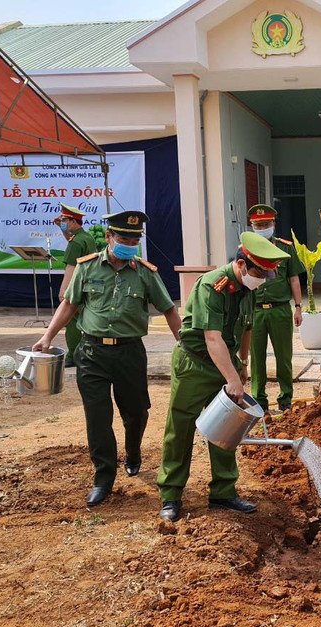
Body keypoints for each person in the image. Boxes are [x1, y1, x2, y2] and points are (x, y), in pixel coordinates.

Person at [33, 211, 181, 508]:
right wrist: (48, 336)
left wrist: (185, 344)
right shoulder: (87, 269)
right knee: (98, 417)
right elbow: (69, 305)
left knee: (136, 411)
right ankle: (103, 477)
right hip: (92, 352)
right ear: (110, 237)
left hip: (129, 352)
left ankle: (134, 451)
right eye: (124, 238)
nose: (129, 243)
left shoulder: (145, 272)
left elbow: (168, 309)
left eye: (134, 239)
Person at [156, 232, 290, 522]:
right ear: (241, 265)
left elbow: (247, 328)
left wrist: (242, 364)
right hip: (195, 364)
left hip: (225, 363)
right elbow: (212, 339)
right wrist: (233, 380)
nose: (262, 279)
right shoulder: (212, 286)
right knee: (180, 429)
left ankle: (223, 492)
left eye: (267, 274)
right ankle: (171, 495)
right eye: (259, 273)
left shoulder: (248, 289)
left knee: (226, 428)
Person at [247, 204, 305, 412]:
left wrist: (298, 307)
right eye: (258, 225)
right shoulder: (244, 250)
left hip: (280, 309)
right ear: (252, 226)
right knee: (257, 358)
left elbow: (294, 279)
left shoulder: (285, 248)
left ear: (273, 224)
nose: (262, 228)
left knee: (284, 356)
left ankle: (286, 398)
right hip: (255, 311)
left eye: (265, 224)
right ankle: (259, 400)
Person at [53, 203, 97, 364]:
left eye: (64, 219)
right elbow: (70, 238)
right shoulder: (85, 237)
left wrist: (64, 291)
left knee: (71, 322)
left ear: (73, 221)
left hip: (78, 287)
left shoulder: (76, 243)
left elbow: (71, 267)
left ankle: (74, 356)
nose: (61, 221)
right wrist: (62, 228)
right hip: (89, 285)